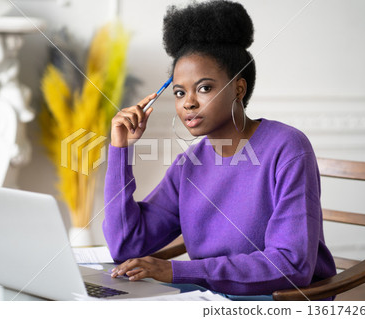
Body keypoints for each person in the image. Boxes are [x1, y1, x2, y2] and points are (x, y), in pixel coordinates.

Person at [102, 0, 336, 300]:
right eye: (179, 92)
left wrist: (176, 271)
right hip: (208, 296)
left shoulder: (287, 147)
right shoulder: (189, 164)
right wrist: (121, 148)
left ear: (239, 89)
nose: (188, 102)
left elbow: (292, 264)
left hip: (281, 300)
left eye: (204, 88)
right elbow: (125, 245)